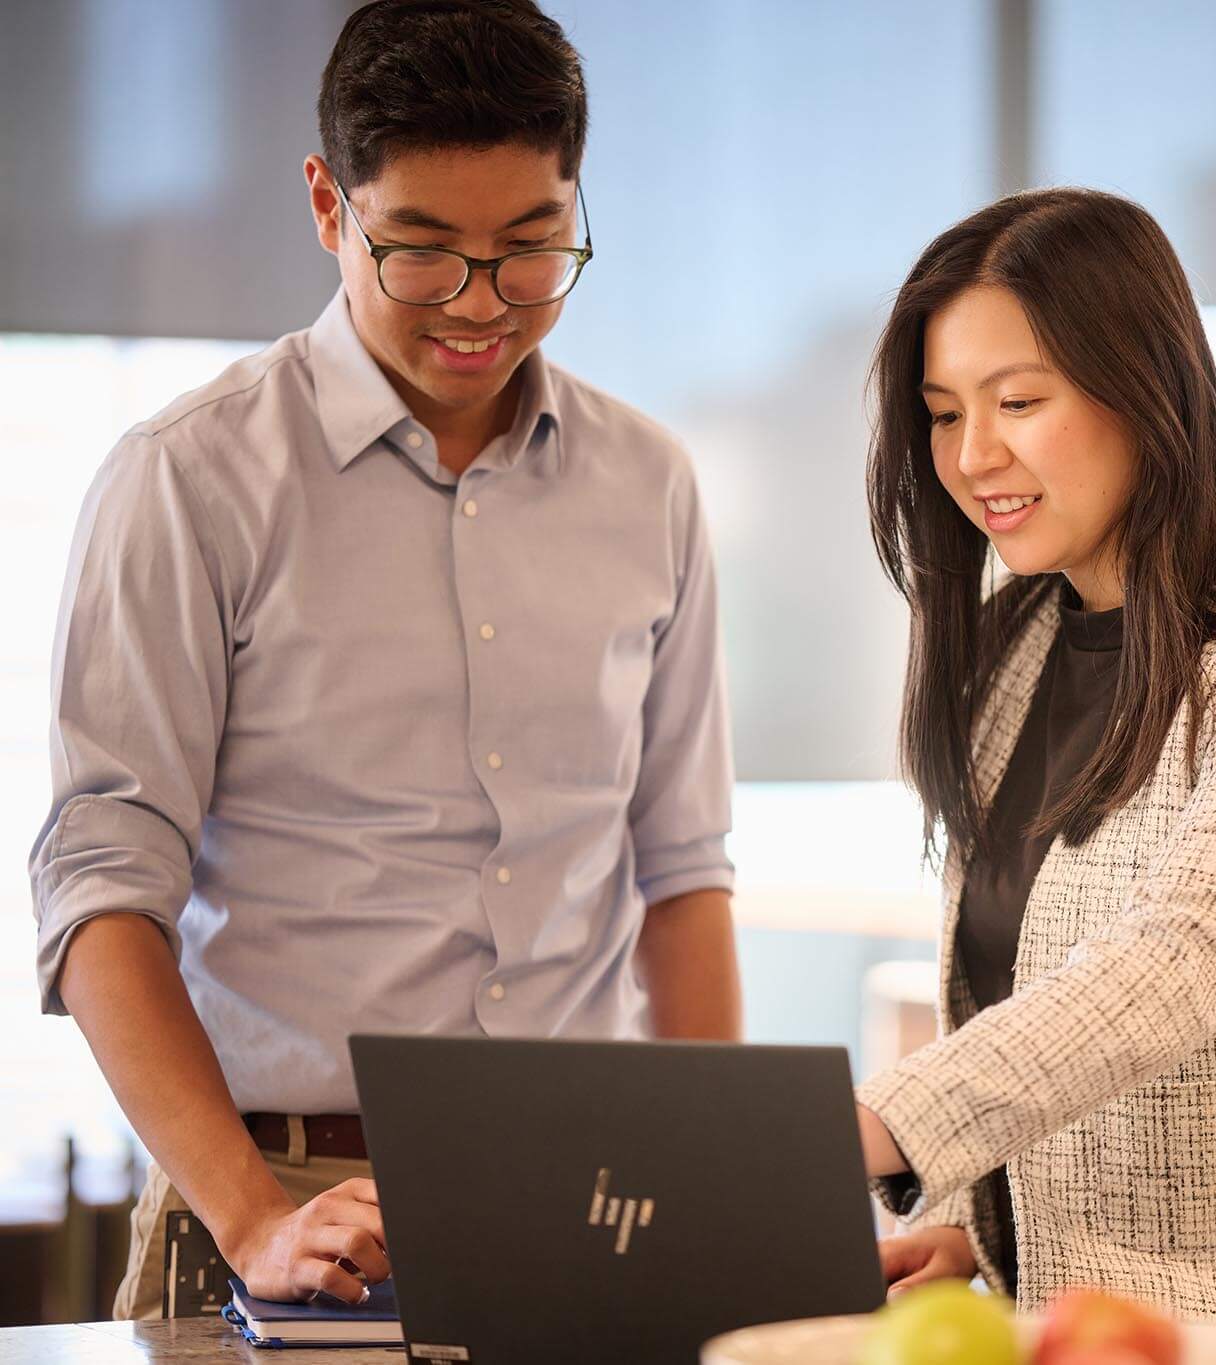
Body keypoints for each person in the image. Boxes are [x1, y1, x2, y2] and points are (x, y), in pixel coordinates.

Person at [29, 0, 739, 1317]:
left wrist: (708, 1194)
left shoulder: (649, 483)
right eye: (421, 253)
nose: (478, 305)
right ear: (327, 206)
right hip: (279, 1201)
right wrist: (253, 1216)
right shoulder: (189, 478)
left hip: (581, 1198)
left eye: (530, 251)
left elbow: (681, 874)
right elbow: (101, 890)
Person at [852, 188, 1216, 1322]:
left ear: (1145, 386)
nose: (973, 454)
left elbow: (1179, 958)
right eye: (943, 413)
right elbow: (1014, 983)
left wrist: (884, 1120)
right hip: (1048, 1323)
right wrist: (971, 1224)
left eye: (1019, 401)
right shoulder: (1013, 646)